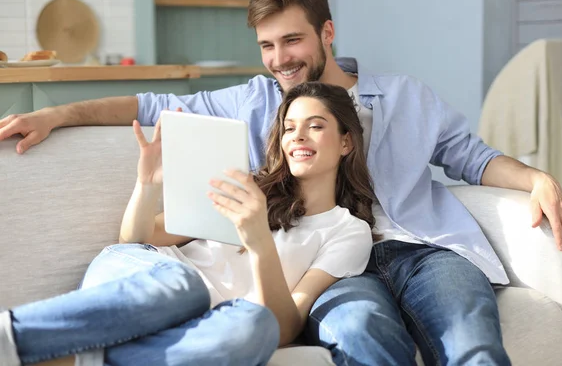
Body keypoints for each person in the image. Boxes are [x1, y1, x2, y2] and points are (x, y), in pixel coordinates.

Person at [0, 0, 562, 366]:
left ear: (327, 34)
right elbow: (149, 109)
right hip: (333, 268)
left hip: (418, 247)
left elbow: (473, 158)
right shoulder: (256, 103)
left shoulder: (405, 97)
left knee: (471, 338)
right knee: (361, 335)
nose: (280, 59)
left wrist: (538, 178)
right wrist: (57, 113)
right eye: (267, 46)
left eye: (293, 40)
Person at [0, 82, 375, 365]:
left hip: (201, 325)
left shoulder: (348, 231)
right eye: (290, 126)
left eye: (315, 126)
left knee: (257, 328)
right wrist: (147, 187)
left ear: (346, 143)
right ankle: (9, 336)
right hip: (147, 281)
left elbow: (287, 326)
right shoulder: (248, 185)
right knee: (186, 285)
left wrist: (260, 239)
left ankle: (91, 359)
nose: (298, 136)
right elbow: (135, 241)